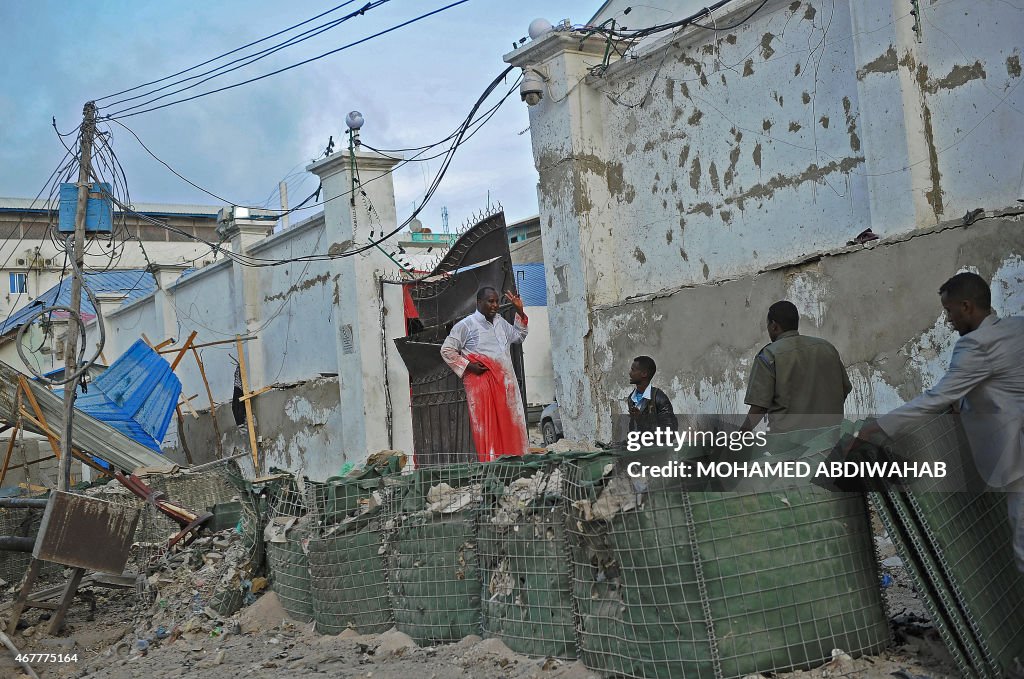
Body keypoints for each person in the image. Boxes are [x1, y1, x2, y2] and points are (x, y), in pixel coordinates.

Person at [853, 272, 1024, 574]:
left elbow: (936, 398)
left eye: (949, 311)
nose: (949, 320)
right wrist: (967, 404)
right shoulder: (1016, 328)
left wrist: (877, 428)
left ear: (967, 306)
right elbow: (1003, 385)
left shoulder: (975, 345)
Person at [441, 286, 529, 462]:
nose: (495, 305)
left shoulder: (501, 322)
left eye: (497, 301)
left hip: (505, 384)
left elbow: (519, 336)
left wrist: (520, 311)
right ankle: (492, 470)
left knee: (510, 424)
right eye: (490, 301)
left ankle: (515, 465)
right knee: (487, 429)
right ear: (479, 302)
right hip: (481, 385)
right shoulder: (466, 325)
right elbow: (447, 350)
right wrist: (469, 366)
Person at [742, 300, 852, 433]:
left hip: (787, 443)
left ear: (774, 326)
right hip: (829, 438)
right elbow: (844, 389)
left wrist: (741, 435)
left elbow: (758, 408)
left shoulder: (769, 355)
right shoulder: (826, 348)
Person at [627, 355, 678, 433]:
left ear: (644, 374)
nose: (630, 373)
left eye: (633, 370)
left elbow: (670, 432)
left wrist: (641, 420)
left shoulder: (659, 398)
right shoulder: (631, 398)